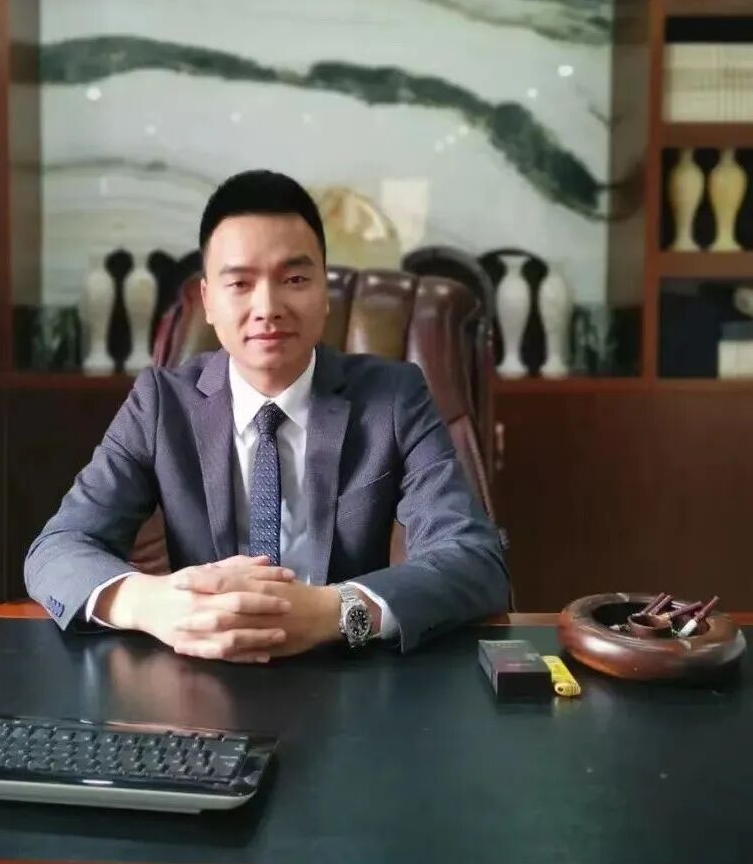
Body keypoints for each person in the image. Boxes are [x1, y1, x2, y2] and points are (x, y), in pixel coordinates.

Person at [25, 169, 509, 661]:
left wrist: (334, 610)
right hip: (201, 670)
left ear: (324, 292)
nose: (268, 307)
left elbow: (474, 559)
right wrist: (154, 604)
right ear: (208, 300)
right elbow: (58, 548)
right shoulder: (160, 403)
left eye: (294, 279)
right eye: (240, 282)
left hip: (346, 673)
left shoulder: (393, 398)